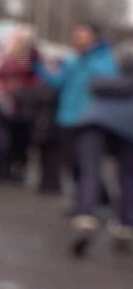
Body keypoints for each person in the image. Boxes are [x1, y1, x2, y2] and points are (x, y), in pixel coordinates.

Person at [35, 23, 117, 202]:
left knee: (87, 163)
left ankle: (96, 200)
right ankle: (87, 199)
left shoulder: (104, 58)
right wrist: (38, 64)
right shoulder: (72, 59)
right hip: (66, 118)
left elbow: (107, 79)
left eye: (81, 35)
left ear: (94, 37)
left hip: (89, 119)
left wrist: (86, 60)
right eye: (75, 35)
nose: (76, 39)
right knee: (71, 163)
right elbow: (58, 81)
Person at [68, 44, 133, 256]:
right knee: (127, 176)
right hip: (127, 129)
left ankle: (86, 214)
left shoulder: (105, 81)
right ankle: (125, 223)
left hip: (93, 124)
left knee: (90, 170)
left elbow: (93, 85)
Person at [0, 26, 40, 183]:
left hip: (24, 104)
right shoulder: (6, 58)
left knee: (22, 139)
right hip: (7, 104)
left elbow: (38, 77)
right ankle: (6, 168)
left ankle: (19, 169)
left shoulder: (32, 57)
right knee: (6, 139)